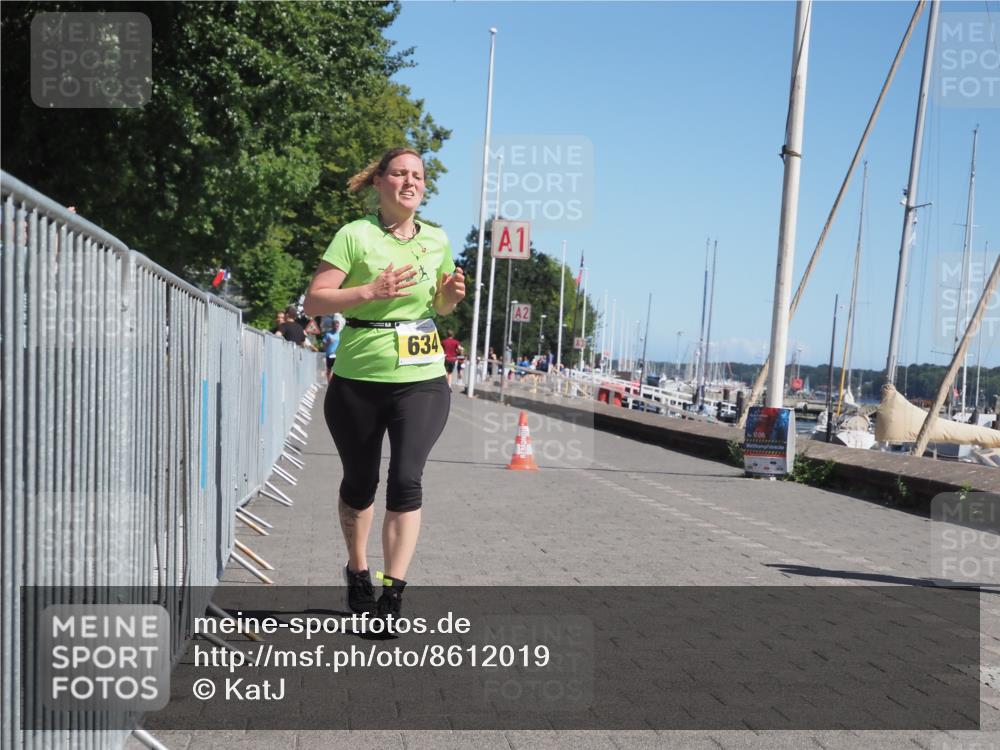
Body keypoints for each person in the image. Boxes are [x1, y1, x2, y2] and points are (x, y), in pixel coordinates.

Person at [303, 147, 465, 621]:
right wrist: (368, 292)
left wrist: (450, 297)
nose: (410, 182)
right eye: (400, 173)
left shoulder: (436, 240)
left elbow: (438, 305)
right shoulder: (355, 236)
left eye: (417, 175)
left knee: (406, 478)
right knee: (360, 483)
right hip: (358, 377)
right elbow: (314, 301)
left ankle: (392, 596)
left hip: (422, 378)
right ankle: (358, 571)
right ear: (380, 182)